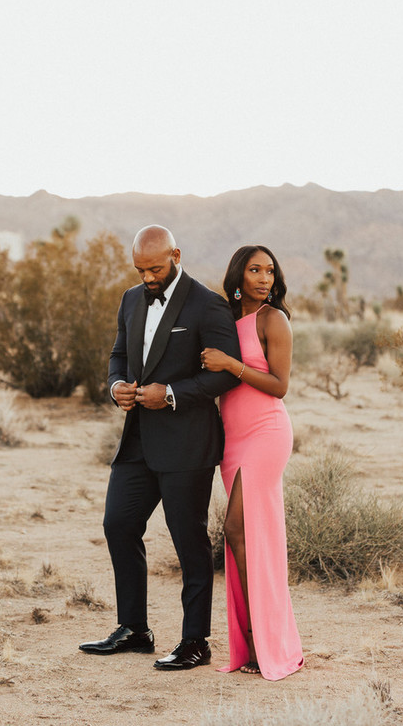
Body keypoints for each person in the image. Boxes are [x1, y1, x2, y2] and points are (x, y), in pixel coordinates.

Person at [79, 225, 241, 671]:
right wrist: (116, 386)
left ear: (176, 254)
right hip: (137, 442)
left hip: (187, 444)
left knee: (189, 542)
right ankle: (134, 629)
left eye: (155, 268)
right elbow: (118, 355)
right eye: (140, 269)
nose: (148, 277)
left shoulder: (209, 305)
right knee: (118, 524)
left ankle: (196, 641)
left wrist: (169, 392)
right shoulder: (131, 299)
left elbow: (225, 374)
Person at [200, 245, 303, 681]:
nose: (263, 277)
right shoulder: (225, 317)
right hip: (233, 438)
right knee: (244, 535)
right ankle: (252, 641)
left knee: (237, 529)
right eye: (254, 269)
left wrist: (231, 365)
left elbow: (279, 386)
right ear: (238, 274)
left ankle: (264, 638)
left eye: (269, 270)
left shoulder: (273, 319)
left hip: (266, 432)